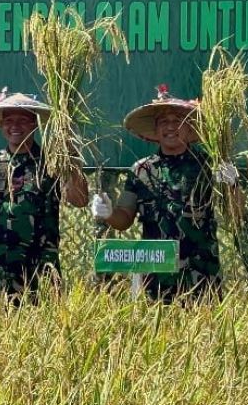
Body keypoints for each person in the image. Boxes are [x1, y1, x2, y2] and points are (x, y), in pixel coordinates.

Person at [0, 89, 89, 302]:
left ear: (35, 124)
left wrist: (71, 159)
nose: (15, 126)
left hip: (42, 271)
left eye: (23, 120)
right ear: (1, 125)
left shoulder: (52, 164)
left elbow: (80, 200)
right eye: (9, 120)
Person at [92, 86, 221, 301]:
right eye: (164, 121)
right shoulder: (141, 170)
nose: (171, 127)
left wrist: (232, 183)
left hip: (201, 273)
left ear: (189, 128)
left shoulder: (208, 167)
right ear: (156, 130)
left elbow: (237, 211)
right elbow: (124, 218)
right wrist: (108, 213)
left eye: (177, 120)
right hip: (156, 275)